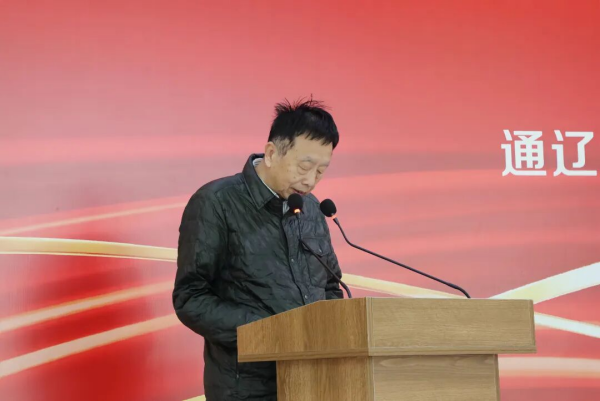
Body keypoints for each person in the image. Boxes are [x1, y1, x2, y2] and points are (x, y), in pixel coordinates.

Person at [172, 98, 344, 401]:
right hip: (245, 388)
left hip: (313, 384)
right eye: (304, 166)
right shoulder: (217, 203)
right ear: (272, 153)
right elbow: (190, 297)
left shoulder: (312, 211)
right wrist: (268, 332)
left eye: (321, 171)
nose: (310, 181)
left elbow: (330, 287)